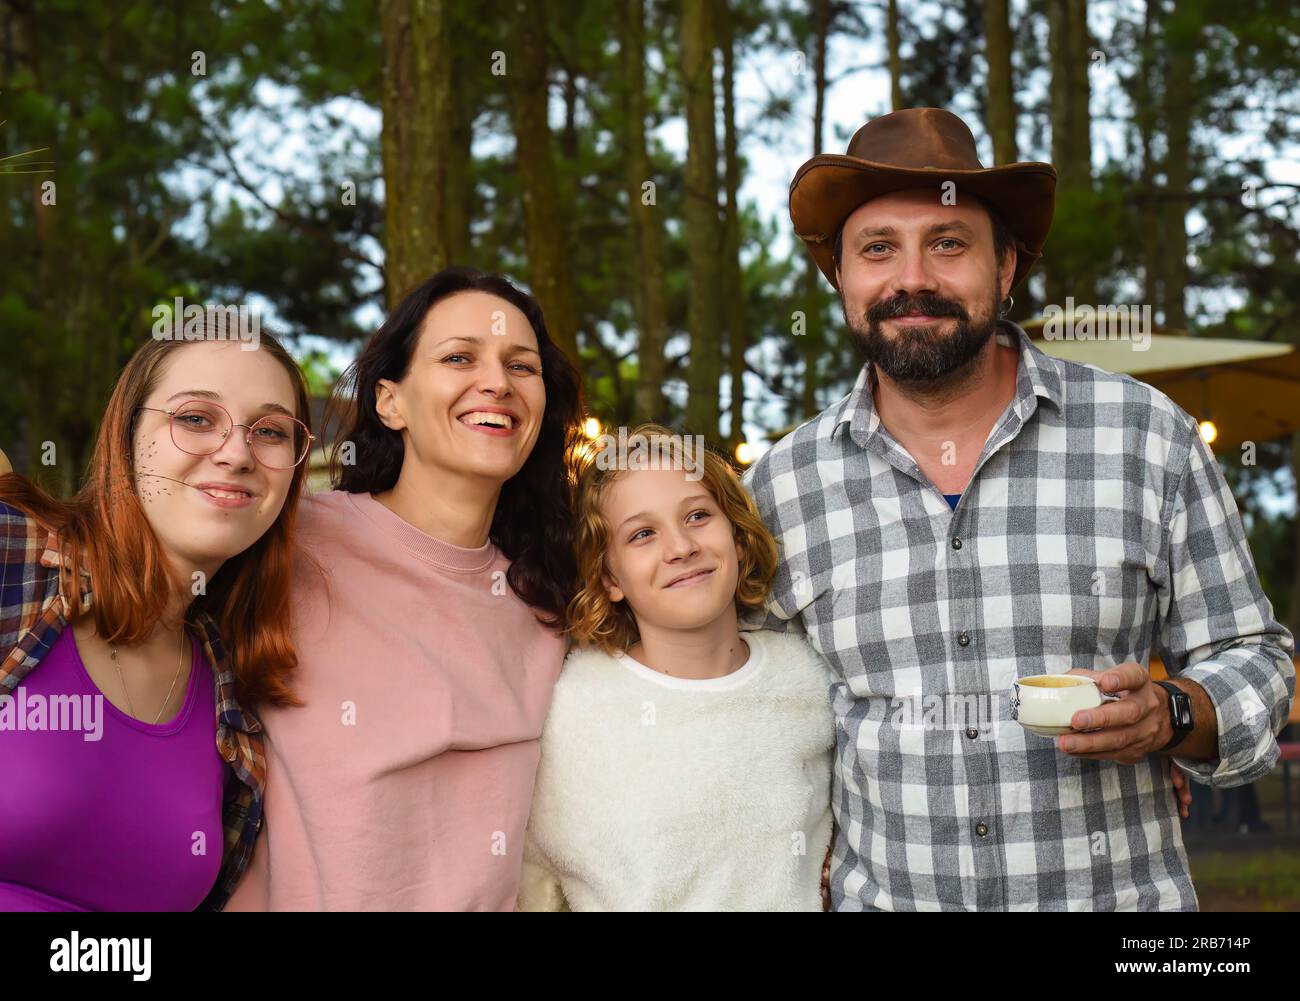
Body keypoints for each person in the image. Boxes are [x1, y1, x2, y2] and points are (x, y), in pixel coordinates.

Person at [743, 107, 1294, 911]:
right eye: (877, 248)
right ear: (842, 280)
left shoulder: (1146, 435)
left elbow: (1256, 656)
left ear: (1006, 267)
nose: (912, 279)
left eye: (949, 242)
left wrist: (1173, 713)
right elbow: (758, 712)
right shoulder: (782, 486)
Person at [226, 267, 584, 911]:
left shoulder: (554, 597)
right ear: (390, 401)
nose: (496, 383)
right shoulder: (289, 541)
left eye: (521, 366)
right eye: (458, 358)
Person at [0, 327, 314, 910]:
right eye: (196, 418)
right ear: (126, 437)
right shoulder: (15, 558)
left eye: (270, 432)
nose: (237, 453)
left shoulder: (235, 705)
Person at [517, 425, 834, 911]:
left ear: (740, 540)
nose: (681, 546)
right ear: (609, 577)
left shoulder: (806, 681)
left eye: (698, 516)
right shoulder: (573, 708)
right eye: (643, 534)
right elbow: (534, 882)